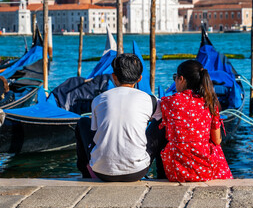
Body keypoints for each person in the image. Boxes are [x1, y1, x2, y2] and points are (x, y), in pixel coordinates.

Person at [75, 53, 165, 182]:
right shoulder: (150, 100)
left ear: (114, 77)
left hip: (101, 171)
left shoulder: (98, 99)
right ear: (139, 78)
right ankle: (162, 176)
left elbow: (95, 132)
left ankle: (86, 175)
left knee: (83, 122)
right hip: (137, 171)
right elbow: (162, 117)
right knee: (163, 122)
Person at [160, 60, 233, 182]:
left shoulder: (168, 102)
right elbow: (217, 140)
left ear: (181, 79)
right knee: (215, 145)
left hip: (176, 171)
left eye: (175, 78)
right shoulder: (210, 102)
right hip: (205, 171)